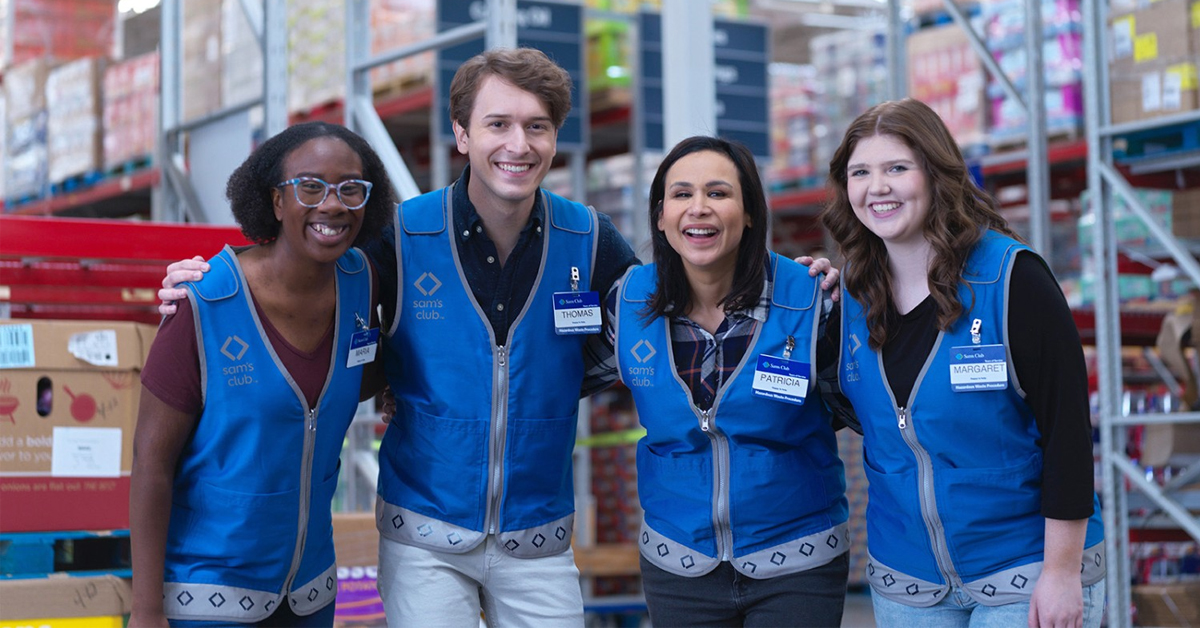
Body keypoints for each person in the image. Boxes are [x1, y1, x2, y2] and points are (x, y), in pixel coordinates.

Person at [156, 48, 839, 626]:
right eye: (499, 124)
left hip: (537, 536)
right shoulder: (402, 236)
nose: (519, 144)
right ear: (462, 135)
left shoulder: (591, 240)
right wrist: (214, 279)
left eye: (537, 126)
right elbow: (306, 271)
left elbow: (673, 306)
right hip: (425, 531)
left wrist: (794, 283)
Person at [820, 98, 1106, 627]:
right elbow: (835, 410)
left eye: (896, 168)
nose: (876, 187)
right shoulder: (850, 300)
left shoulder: (1011, 279)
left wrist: (1063, 572)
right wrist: (798, 306)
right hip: (908, 581)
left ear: (935, 174)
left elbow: (1067, 432)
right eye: (861, 172)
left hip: (1024, 568)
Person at [129, 121, 395, 627]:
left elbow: (356, 374)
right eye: (310, 186)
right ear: (276, 200)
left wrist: (398, 387)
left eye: (351, 189)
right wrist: (145, 611)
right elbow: (150, 463)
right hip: (208, 595)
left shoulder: (363, 285)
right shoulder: (205, 303)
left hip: (310, 594)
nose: (333, 205)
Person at [606, 136, 853, 627]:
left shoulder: (810, 300)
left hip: (798, 560)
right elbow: (553, 374)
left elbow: (864, 410)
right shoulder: (627, 303)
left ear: (750, 213)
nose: (699, 209)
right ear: (660, 216)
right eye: (681, 195)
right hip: (678, 562)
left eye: (718, 193)